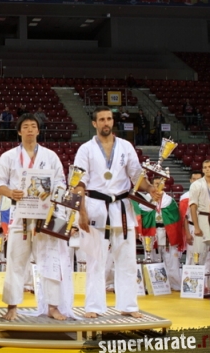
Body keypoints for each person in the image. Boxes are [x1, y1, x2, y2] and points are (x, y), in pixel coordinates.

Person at [74, 106, 161, 318]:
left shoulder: (125, 146)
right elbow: (79, 183)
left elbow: (137, 176)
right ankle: (94, 306)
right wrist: (81, 211)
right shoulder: (85, 149)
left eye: (109, 119)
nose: (106, 123)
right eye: (102, 119)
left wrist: (150, 188)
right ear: (94, 123)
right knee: (96, 260)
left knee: (127, 259)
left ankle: (128, 305)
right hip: (96, 206)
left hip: (122, 208)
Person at [0, 114, 72, 321]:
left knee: (50, 260)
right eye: (25, 126)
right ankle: (12, 306)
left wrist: (52, 194)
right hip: (20, 215)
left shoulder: (51, 156)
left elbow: (61, 183)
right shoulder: (8, 156)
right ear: (19, 131)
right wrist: (11, 193)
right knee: (15, 260)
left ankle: (53, 306)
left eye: (33, 126)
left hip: (45, 215)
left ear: (38, 130)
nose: (29, 129)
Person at [132, 185, 182, 290]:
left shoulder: (169, 201)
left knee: (171, 260)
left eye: (159, 184)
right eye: (155, 184)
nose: (157, 187)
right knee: (151, 258)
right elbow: (141, 217)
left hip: (167, 233)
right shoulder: (145, 201)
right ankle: (152, 285)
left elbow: (175, 218)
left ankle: (174, 284)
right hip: (151, 233)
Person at [188, 160, 210, 277]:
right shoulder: (196, 185)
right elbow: (193, 206)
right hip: (202, 218)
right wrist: (196, 227)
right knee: (199, 253)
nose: (207, 169)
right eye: (205, 167)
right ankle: (195, 282)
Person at [180, 171, 204, 264]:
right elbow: (184, 217)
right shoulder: (185, 197)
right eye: (194, 179)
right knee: (191, 255)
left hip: (206, 226)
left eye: (199, 179)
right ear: (190, 180)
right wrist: (187, 234)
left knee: (206, 255)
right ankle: (190, 273)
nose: (196, 181)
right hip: (192, 227)